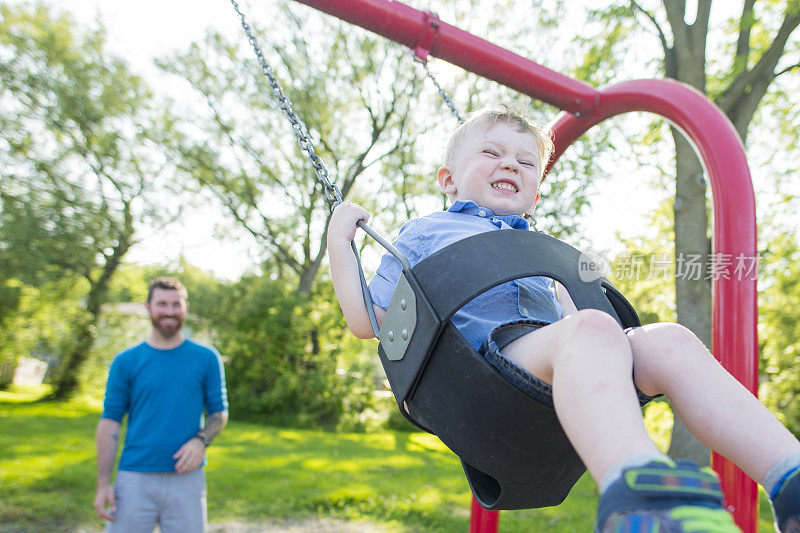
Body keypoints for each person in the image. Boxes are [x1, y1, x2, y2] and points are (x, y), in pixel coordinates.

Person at [327, 105, 800, 532]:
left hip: (557, 361)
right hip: (480, 374)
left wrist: (580, 315)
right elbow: (370, 320)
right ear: (448, 180)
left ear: (534, 193)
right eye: (491, 152)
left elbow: (576, 325)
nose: (510, 163)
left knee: (669, 340)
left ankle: (790, 479)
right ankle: (640, 495)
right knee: (590, 330)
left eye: (526, 161)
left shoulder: (536, 250)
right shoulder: (427, 232)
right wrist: (339, 243)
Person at [93, 277, 229, 532]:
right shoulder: (126, 361)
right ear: (148, 307)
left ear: (185, 307)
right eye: (162, 304)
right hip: (133, 477)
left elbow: (219, 413)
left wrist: (201, 441)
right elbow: (110, 421)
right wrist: (103, 484)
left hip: (187, 478)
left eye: (176, 304)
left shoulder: (206, 358)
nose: (169, 311)